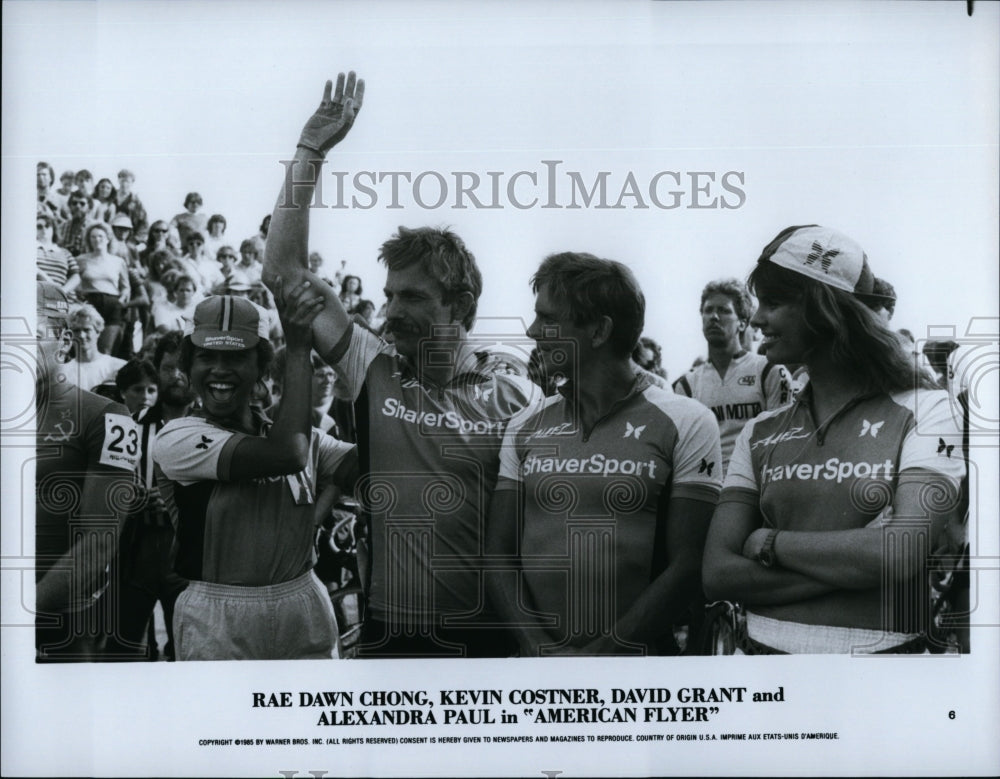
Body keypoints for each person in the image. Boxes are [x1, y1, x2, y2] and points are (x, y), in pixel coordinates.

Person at [262, 73, 539, 657]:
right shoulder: (374, 366)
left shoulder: (519, 398)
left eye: (411, 298)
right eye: (388, 296)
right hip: (394, 632)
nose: (390, 312)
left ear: (461, 305)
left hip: (493, 635)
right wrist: (312, 149)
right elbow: (284, 273)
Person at [702, 225, 965, 654]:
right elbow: (717, 573)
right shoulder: (760, 430)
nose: (756, 319)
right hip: (764, 671)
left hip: (881, 676)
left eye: (774, 303)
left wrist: (769, 542)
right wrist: (857, 567)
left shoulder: (929, 411)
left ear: (825, 310)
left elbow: (899, 553)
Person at [489, 254, 722, 656]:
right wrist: (537, 648)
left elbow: (689, 563)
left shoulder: (687, 420)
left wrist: (601, 655)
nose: (532, 332)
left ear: (598, 331)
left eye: (548, 320)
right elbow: (497, 553)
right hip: (540, 666)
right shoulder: (525, 423)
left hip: (640, 667)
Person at [152, 291, 357, 660]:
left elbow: (366, 470)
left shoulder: (301, 437)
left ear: (261, 367)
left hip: (304, 599)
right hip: (218, 614)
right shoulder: (176, 437)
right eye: (206, 356)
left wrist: (378, 377)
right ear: (188, 365)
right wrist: (297, 351)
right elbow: (288, 455)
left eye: (235, 357)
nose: (219, 369)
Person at [35, 282, 140, 661]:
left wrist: (19, 616)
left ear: (64, 340)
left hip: (60, 627)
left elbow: (99, 542)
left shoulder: (111, 416)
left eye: (31, 335)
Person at [105, 331, 192, 661]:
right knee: (125, 651)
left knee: (188, 652)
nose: (177, 376)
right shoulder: (128, 424)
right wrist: (131, 498)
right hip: (136, 548)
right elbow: (106, 487)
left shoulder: (214, 425)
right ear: (158, 371)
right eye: (169, 368)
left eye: (185, 367)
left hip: (191, 554)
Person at [673, 278, 793, 474]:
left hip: (755, 482)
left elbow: (781, 441)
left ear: (743, 323)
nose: (714, 317)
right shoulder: (686, 384)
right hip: (705, 483)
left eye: (724, 310)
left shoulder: (769, 371)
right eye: (708, 310)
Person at [73, 223, 131, 355]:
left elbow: (125, 287)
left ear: (108, 238)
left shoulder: (118, 261)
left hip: (112, 304)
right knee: (87, 348)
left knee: (106, 349)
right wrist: (78, 296)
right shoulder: (81, 259)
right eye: (93, 237)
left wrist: (121, 301)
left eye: (100, 236)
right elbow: (74, 280)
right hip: (91, 303)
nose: (97, 240)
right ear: (89, 240)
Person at [60, 304, 127, 391]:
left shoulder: (118, 367)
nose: (82, 335)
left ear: (98, 332)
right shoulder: (62, 372)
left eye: (87, 330)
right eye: (76, 330)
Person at [36, 213, 79, 290]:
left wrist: (63, 292)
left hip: (61, 296)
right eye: (39, 227)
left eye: (47, 226)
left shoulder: (64, 252)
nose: (44, 229)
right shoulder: (29, 249)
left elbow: (75, 276)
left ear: (54, 229)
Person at [115, 170, 149, 245]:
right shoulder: (111, 196)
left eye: (127, 181)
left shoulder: (136, 202)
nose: (124, 184)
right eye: (122, 180)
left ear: (132, 183)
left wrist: (137, 239)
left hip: (128, 236)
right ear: (118, 181)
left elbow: (143, 223)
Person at [58, 190, 96, 257]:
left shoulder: (95, 228)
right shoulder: (62, 227)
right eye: (74, 203)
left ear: (89, 207)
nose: (78, 206)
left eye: (82, 203)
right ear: (69, 206)